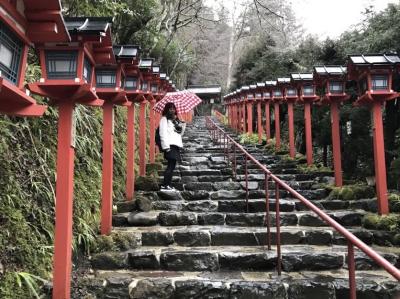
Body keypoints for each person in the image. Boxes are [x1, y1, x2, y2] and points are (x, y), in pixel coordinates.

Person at [159, 102, 186, 191]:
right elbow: (162, 133)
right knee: (170, 165)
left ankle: (167, 184)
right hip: (169, 145)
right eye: (170, 108)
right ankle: (165, 185)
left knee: (173, 165)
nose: (172, 110)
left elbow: (180, 134)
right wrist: (166, 147)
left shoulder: (175, 120)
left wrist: (183, 125)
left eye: (173, 108)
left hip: (176, 145)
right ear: (167, 110)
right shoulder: (164, 119)